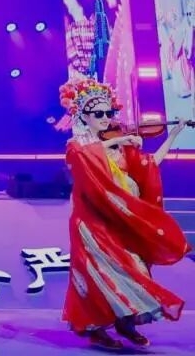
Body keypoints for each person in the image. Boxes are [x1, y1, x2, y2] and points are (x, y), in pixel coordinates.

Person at [58, 78, 190, 350]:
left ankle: (125, 323)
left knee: (134, 269)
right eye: (99, 114)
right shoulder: (76, 146)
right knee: (99, 275)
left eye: (109, 113)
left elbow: (150, 164)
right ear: (83, 116)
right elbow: (85, 159)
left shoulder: (118, 147)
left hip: (120, 220)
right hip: (92, 222)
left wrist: (173, 135)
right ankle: (96, 329)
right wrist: (119, 140)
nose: (106, 119)